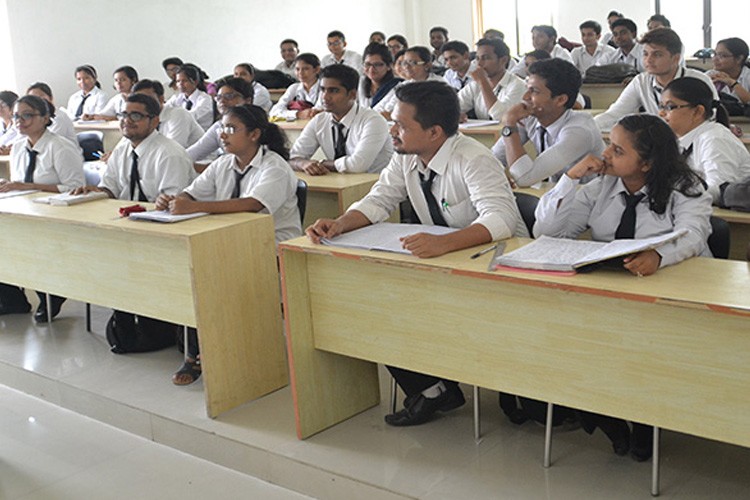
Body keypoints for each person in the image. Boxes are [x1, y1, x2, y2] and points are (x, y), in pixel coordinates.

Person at [306, 81, 527, 426]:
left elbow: (502, 220)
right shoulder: (405, 156)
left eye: (402, 125)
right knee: (374, 303)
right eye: (393, 122)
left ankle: (445, 385)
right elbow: (380, 200)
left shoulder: (473, 158)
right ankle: (434, 389)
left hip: (493, 266)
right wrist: (341, 223)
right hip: (441, 264)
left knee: (402, 305)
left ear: (435, 131)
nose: (392, 131)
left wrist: (444, 243)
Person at [534, 114, 712, 461]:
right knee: (575, 346)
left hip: (667, 288)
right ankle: (605, 418)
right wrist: (570, 180)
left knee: (641, 355)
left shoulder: (686, 186)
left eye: (617, 150)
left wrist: (660, 255)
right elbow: (550, 231)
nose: (605, 154)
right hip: (610, 287)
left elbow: (694, 234)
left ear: (646, 163)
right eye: (608, 145)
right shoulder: (602, 184)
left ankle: (646, 426)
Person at [155, 104, 301, 385]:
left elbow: (252, 204)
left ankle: (205, 353)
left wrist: (192, 206)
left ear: (255, 134)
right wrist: (175, 199)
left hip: (270, 248)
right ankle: (196, 351)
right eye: (221, 128)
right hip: (228, 243)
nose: (223, 135)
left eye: (231, 129)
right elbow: (192, 193)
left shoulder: (275, 167)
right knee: (190, 271)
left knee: (208, 276)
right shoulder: (223, 163)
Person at [0, 95, 85, 321]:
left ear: (46, 118)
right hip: (25, 209)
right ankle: (11, 298)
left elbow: (75, 187)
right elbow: (19, 185)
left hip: (56, 214)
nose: (20, 121)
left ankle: (50, 294)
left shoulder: (61, 147)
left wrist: (28, 185)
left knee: (29, 243)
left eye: (27, 115)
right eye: (16, 116)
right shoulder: (18, 147)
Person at [493, 59, 605, 187]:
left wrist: (509, 124)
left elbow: (524, 178)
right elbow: (491, 159)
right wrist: (495, 173)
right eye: (527, 89)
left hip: (590, 199)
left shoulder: (580, 130)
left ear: (560, 100)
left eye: (534, 91)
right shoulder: (530, 118)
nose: (525, 97)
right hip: (554, 195)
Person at [594, 28, 717, 131]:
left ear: (676, 58)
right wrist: (589, 127)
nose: (649, 60)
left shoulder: (699, 80)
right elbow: (614, 114)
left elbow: (712, 118)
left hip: (695, 141)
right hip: (662, 145)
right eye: (645, 54)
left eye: (657, 54)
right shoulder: (641, 82)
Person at [75, 93, 192, 201]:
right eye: (124, 115)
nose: (127, 121)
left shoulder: (170, 155)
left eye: (136, 116)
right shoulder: (120, 151)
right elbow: (111, 189)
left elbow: (174, 202)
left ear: (155, 121)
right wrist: (95, 192)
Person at [659, 77, 750, 204]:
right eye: (661, 106)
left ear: (697, 111)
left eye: (670, 107)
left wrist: (673, 196)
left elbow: (719, 190)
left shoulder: (715, 138)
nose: (661, 113)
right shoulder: (679, 140)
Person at [290, 64, 392, 175]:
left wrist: (321, 163)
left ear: (352, 94)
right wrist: (303, 164)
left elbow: (358, 165)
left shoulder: (373, 121)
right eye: (322, 90)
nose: (325, 97)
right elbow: (292, 157)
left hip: (375, 186)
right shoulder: (319, 120)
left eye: (333, 91)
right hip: (340, 185)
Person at [187, 77, 254, 165]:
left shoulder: (255, 127)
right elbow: (190, 154)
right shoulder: (219, 126)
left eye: (229, 96)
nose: (222, 101)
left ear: (247, 100)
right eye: (218, 97)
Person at [458, 38, 525, 121]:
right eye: (478, 58)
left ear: (503, 60)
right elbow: (453, 106)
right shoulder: (475, 85)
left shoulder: (518, 85)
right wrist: (455, 115)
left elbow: (502, 117)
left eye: (485, 58)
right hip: (484, 133)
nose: (479, 64)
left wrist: (483, 82)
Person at [132, 79, 204, 149]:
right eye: (138, 100)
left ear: (161, 99)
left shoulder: (178, 114)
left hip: (200, 160)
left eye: (147, 99)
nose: (142, 104)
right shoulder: (144, 118)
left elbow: (173, 149)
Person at [380, 46, 447, 118]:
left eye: (413, 63)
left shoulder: (439, 84)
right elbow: (388, 108)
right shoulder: (405, 85)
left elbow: (432, 113)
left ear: (427, 65)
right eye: (404, 63)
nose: (407, 67)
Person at [269, 53, 322, 120]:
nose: (300, 73)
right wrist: (297, 114)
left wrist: (288, 113)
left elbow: (315, 113)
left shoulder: (325, 88)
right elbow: (274, 111)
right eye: (297, 69)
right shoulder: (294, 88)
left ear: (317, 69)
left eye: (305, 69)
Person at [165, 65, 215, 131]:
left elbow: (189, 117)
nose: (180, 84)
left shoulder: (205, 99)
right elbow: (164, 110)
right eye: (178, 81)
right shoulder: (177, 97)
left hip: (201, 135)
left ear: (195, 82)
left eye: (185, 81)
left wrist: (172, 116)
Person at [358, 42, 402, 112]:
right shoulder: (360, 83)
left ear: (389, 66)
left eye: (377, 64)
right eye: (367, 64)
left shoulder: (398, 87)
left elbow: (390, 114)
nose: (371, 69)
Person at [708, 37, 750, 104]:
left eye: (722, 56)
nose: (715, 59)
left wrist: (732, 83)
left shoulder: (747, 76)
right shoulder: (710, 75)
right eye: (715, 54)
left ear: (739, 59)